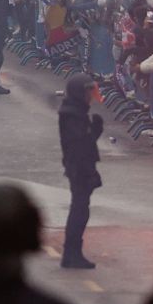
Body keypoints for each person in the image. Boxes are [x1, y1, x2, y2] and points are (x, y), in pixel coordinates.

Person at [56, 76, 104, 269]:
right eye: (88, 93)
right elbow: (80, 145)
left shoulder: (77, 111)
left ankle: (73, 251)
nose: (90, 97)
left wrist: (94, 132)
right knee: (79, 210)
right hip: (79, 168)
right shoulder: (73, 114)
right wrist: (94, 132)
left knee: (81, 209)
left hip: (80, 166)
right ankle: (71, 253)